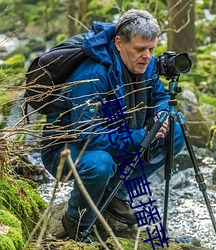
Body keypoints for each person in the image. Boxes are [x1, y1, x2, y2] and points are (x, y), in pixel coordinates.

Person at [41, 9, 185, 241]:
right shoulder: (93, 75)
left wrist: (161, 114)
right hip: (67, 149)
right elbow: (88, 135)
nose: (147, 56)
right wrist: (142, 135)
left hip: (119, 134)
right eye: (140, 49)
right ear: (119, 43)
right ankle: (76, 222)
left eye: (151, 49)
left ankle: (116, 193)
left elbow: (159, 96)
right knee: (100, 164)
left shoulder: (145, 64)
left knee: (175, 132)